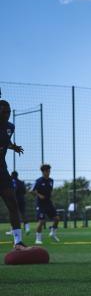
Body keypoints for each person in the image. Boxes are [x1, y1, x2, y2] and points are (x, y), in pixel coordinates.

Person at [0, 99, 26, 249]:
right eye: (4, 112)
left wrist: (13, 147)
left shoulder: (10, 127)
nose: (7, 115)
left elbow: (5, 142)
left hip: (2, 172)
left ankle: (18, 242)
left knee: (13, 204)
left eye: (9, 112)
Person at [32, 164, 60, 244]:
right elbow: (32, 190)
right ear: (43, 172)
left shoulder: (51, 180)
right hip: (41, 204)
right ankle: (38, 239)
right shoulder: (38, 181)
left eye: (49, 171)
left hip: (49, 203)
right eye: (47, 171)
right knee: (41, 221)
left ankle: (53, 234)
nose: (48, 172)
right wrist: (39, 195)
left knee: (57, 218)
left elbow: (50, 191)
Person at [6, 171, 30, 235]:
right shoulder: (21, 182)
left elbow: (13, 190)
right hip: (22, 199)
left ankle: (13, 230)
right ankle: (27, 228)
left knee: (13, 214)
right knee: (23, 213)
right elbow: (24, 191)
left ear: (12, 175)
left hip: (15, 199)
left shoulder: (12, 181)